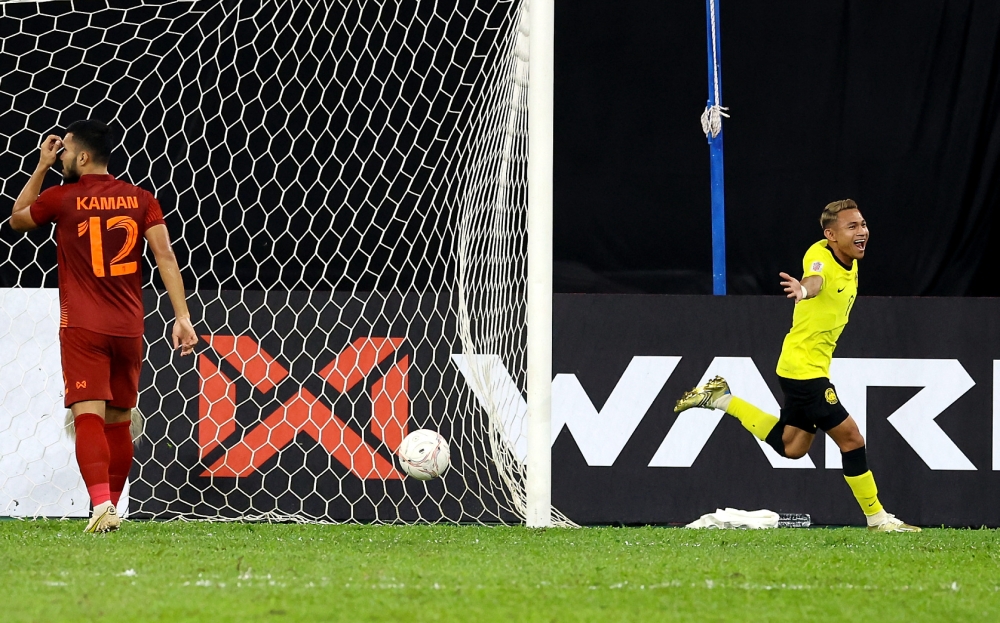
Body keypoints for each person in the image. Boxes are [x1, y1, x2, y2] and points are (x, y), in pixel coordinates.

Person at [674, 199, 919, 532]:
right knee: (852, 439)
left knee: (793, 447)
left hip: (800, 366)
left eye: (862, 224)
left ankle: (720, 398)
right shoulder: (820, 256)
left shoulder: (849, 257)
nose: (861, 231)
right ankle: (878, 519)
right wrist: (803, 289)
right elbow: (814, 280)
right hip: (805, 371)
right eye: (852, 227)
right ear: (831, 235)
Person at [9, 120, 198, 533]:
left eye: (63, 150)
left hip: (83, 326)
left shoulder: (62, 197)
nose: (59, 155)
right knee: (119, 418)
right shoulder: (141, 198)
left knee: (88, 416)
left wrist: (40, 166)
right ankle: (110, 509)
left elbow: (17, 219)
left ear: (82, 156)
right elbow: (165, 255)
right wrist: (182, 317)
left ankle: (100, 506)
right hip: (128, 327)